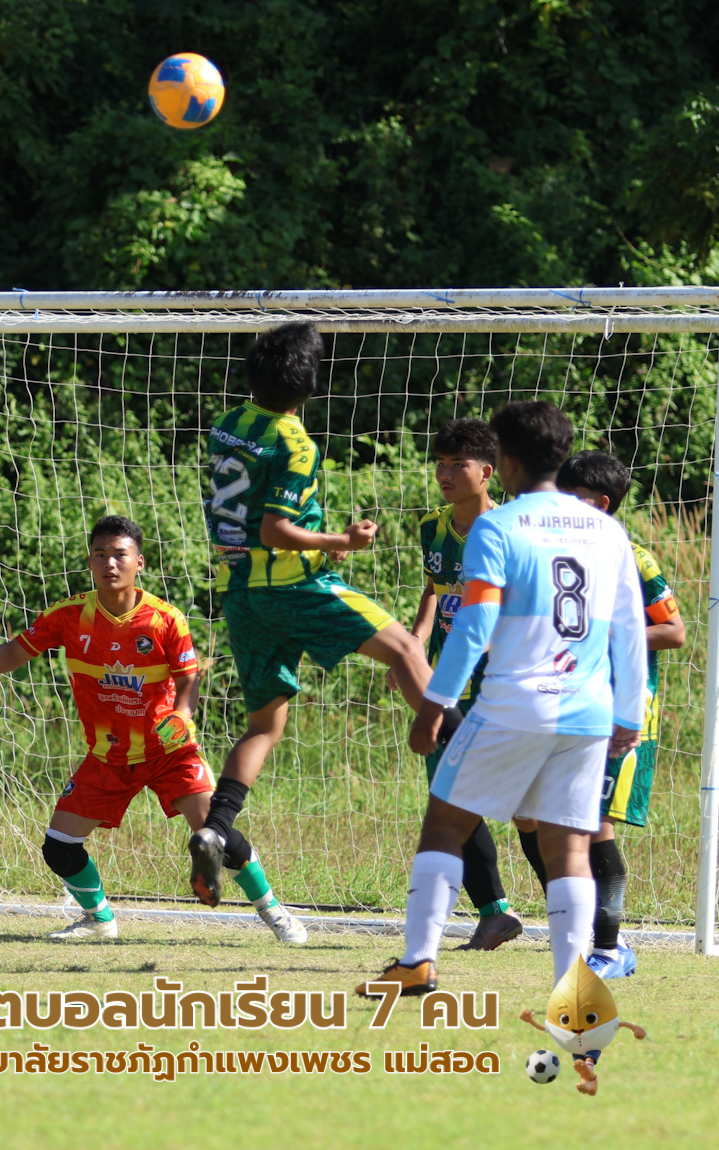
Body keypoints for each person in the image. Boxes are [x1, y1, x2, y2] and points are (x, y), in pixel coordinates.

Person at [360, 401, 647, 999]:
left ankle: (417, 962)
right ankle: (574, 990)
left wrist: (434, 703)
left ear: (506, 460)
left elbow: (474, 625)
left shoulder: (499, 526)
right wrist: (629, 713)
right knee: (568, 847)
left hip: (515, 702)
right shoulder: (607, 531)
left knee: (445, 823)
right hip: (588, 710)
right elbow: (628, 628)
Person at [0, 516, 307, 943]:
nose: (109, 563)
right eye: (100, 554)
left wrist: (182, 715)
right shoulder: (67, 615)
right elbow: (15, 653)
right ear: (90, 562)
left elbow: (189, 680)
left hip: (169, 751)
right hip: (108, 757)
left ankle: (274, 912)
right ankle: (99, 919)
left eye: (119, 554)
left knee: (213, 837)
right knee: (58, 846)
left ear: (139, 562)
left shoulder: (165, 619)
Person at [197, 321, 433, 909]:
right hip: (293, 587)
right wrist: (341, 541)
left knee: (263, 726)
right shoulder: (296, 442)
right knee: (406, 648)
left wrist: (317, 541)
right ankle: (459, 750)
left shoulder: (228, 423)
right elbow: (275, 529)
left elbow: (255, 514)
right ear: (310, 385)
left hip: (240, 593)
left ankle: (215, 829)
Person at [507, 450, 685, 979]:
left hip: (618, 708)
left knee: (592, 821)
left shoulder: (633, 557)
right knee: (529, 812)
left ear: (600, 504)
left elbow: (673, 631)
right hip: (563, 699)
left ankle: (610, 947)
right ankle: (580, 921)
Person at [412, 417, 522, 950]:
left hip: (500, 683)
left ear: (487, 472)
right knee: (449, 792)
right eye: (441, 463)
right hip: (446, 682)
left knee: (524, 805)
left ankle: (586, 916)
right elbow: (434, 589)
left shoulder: (509, 530)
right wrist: (416, 640)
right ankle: (495, 911)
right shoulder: (432, 527)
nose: (446, 473)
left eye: (459, 464)